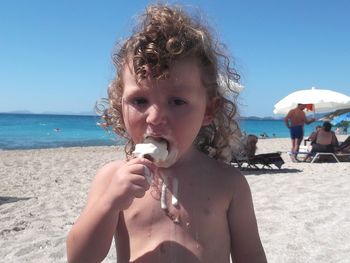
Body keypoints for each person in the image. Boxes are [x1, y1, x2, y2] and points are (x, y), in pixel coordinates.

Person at [66, 4, 266, 263]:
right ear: (119, 105)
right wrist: (109, 204)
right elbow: (79, 257)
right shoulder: (110, 179)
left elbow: (251, 255)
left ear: (209, 110)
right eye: (139, 101)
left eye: (177, 101)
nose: (155, 117)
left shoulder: (228, 183)